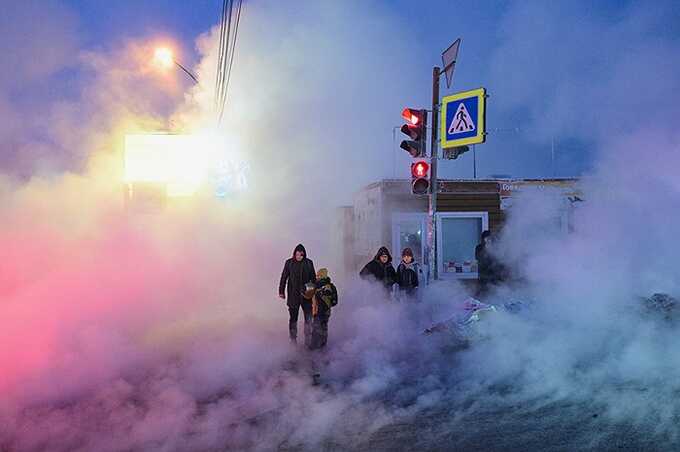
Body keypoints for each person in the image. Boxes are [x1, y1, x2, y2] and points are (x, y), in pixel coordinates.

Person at [278, 244, 316, 345]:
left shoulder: (309, 263)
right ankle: (293, 339)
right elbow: (284, 277)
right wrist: (281, 291)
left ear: (304, 255)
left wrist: (312, 291)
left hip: (306, 296)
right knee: (293, 318)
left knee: (308, 318)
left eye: (301, 255)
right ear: (294, 254)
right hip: (293, 295)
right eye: (297, 254)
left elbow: (313, 279)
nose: (299, 256)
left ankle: (308, 339)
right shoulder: (289, 263)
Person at [309, 268, 338, 350]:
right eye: (317, 275)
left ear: (323, 276)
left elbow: (334, 301)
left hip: (322, 311)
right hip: (320, 310)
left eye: (319, 275)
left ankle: (315, 346)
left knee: (318, 328)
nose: (317, 277)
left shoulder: (328, 286)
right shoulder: (314, 285)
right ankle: (321, 345)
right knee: (321, 327)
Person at [475, 230, 503, 297]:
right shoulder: (479, 247)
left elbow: (499, 260)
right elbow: (478, 258)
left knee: (495, 293)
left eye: (489, 238)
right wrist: (485, 249)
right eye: (486, 238)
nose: (488, 240)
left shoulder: (496, 247)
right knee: (483, 293)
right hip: (484, 275)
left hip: (495, 276)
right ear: (483, 239)